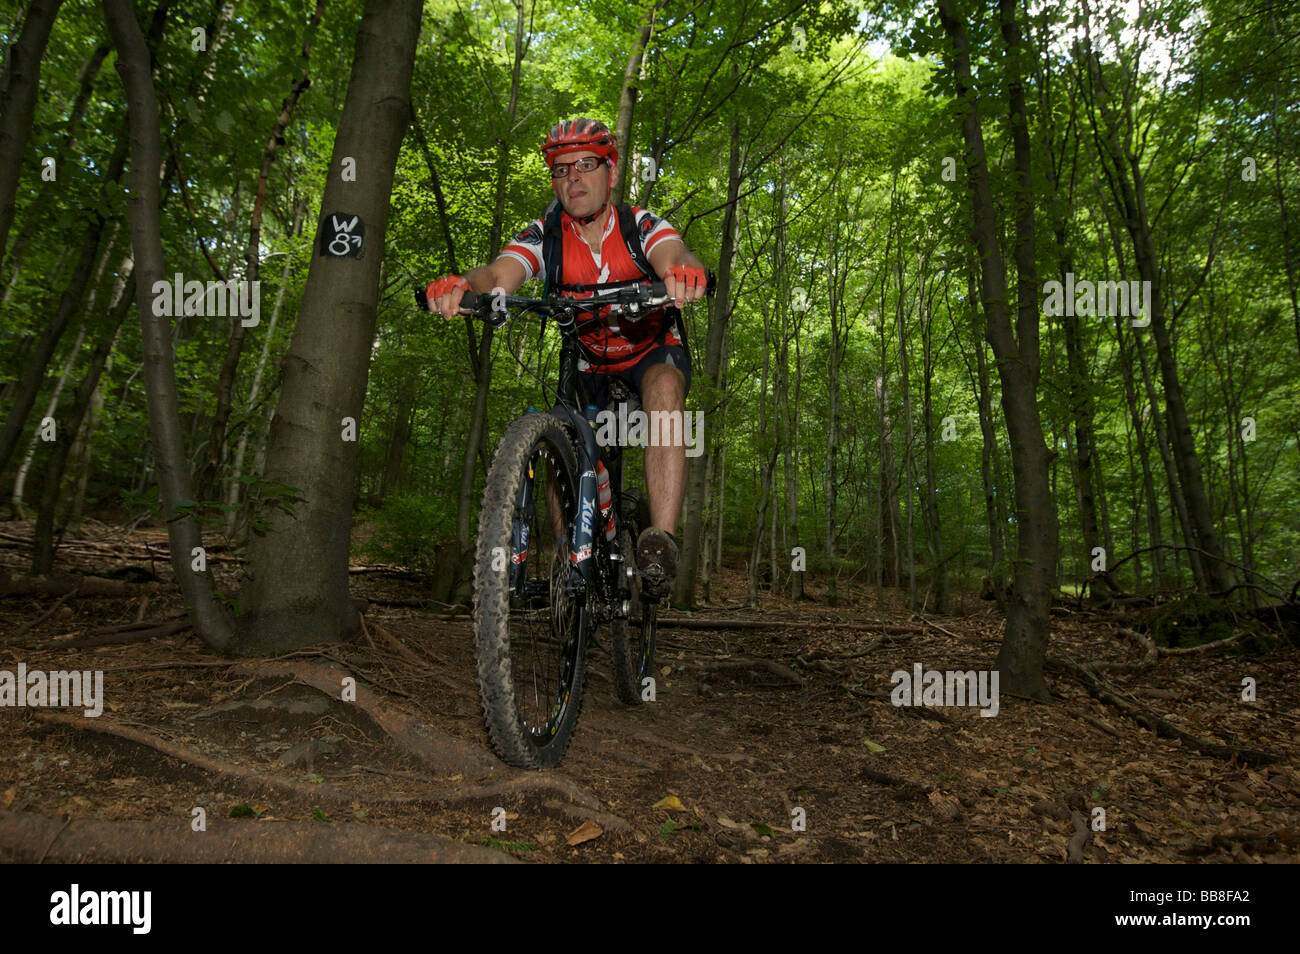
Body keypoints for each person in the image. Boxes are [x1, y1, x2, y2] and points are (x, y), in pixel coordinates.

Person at [426, 118, 708, 596]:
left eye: (586, 165)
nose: (573, 178)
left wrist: (684, 273)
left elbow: (677, 253)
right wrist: (461, 285)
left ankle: (659, 542)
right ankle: (567, 560)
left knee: (664, 389)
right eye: (561, 170)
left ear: (611, 172)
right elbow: (498, 272)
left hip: (650, 353)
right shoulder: (547, 235)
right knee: (562, 428)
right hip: (588, 363)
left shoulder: (640, 225)